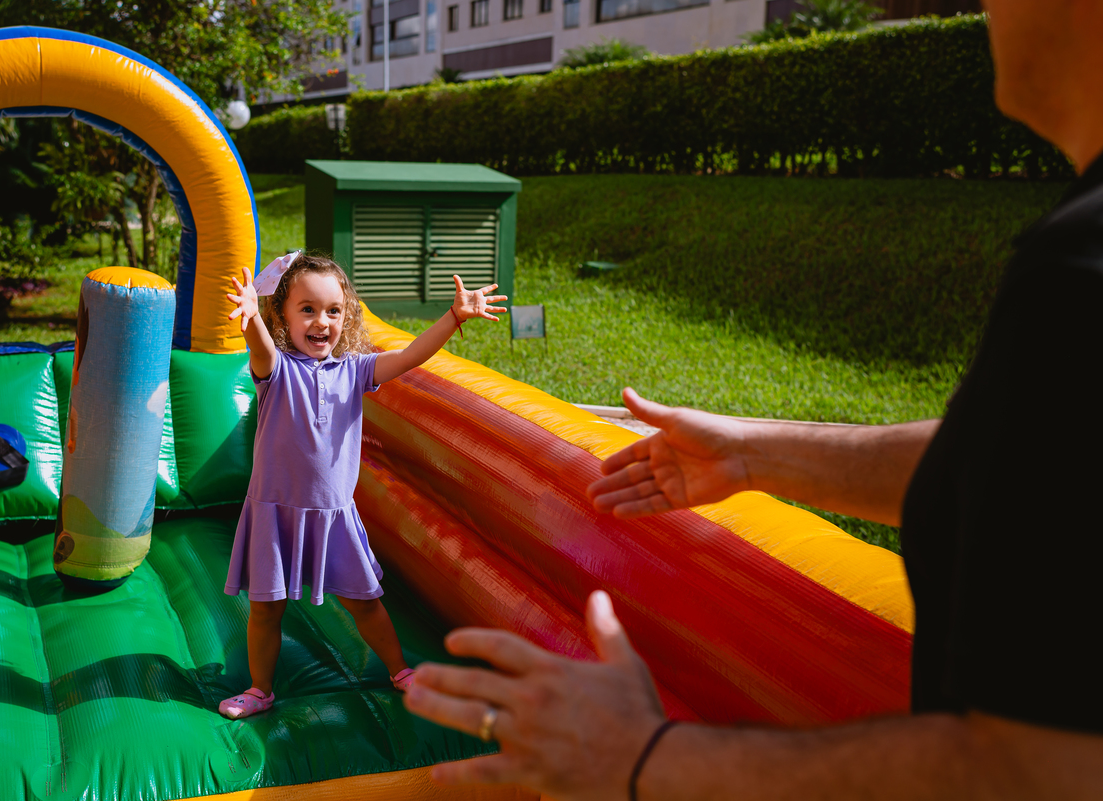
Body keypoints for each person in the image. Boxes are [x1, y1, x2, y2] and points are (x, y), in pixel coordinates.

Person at [402, 0, 1103, 796]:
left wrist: (638, 760)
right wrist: (754, 451)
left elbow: (1042, 773)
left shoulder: (1082, 273)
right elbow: (1045, 471)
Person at [219, 251, 506, 719]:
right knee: (266, 610)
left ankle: (399, 671)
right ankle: (259, 690)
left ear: (345, 315)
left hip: (332, 515)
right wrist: (250, 316)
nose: (321, 321)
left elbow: (411, 357)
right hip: (276, 512)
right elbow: (261, 350)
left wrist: (454, 316)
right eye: (307, 309)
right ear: (282, 316)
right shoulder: (276, 372)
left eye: (333, 310)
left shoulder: (354, 372)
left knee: (365, 603)